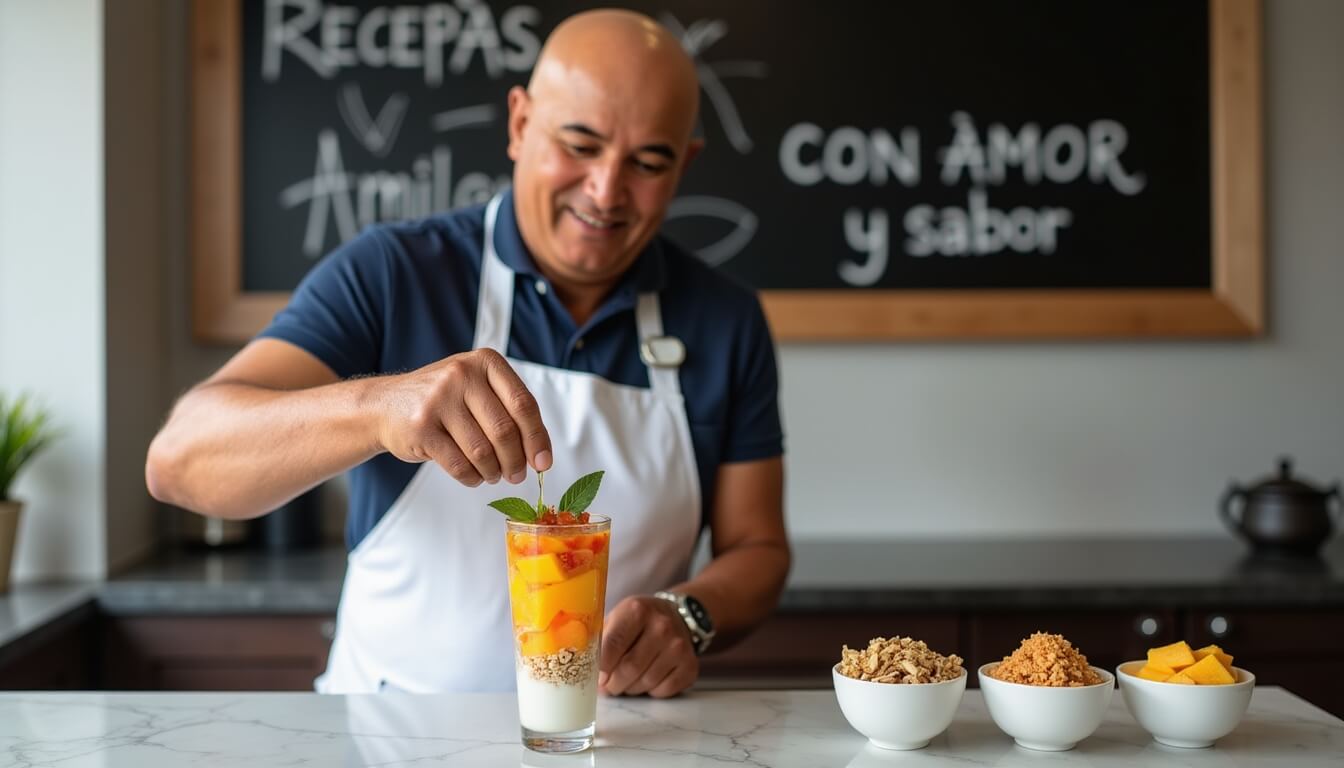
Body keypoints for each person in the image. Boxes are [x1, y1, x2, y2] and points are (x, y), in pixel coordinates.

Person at [146, 9, 788, 698]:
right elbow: (180, 461)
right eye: (580, 144)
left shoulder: (726, 320)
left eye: (647, 162)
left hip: (613, 737)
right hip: (389, 738)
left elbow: (757, 549)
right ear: (519, 124)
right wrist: (379, 408)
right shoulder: (393, 273)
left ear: (684, 163)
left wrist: (687, 615)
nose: (606, 191)